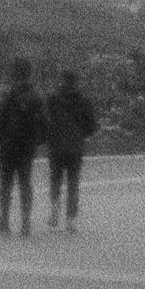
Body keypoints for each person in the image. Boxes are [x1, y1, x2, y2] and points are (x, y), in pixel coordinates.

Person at [0, 55, 48, 236]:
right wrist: (40, 140)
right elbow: (44, 121)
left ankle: (5, 220)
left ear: (12, 72)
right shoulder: (36, 94)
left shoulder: (4, 93)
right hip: (27, 145)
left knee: (5, 183)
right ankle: (25, 222)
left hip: (7, 143)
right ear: (29, 73)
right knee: (25, 182)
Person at [44, 68, 98, 229]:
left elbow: (45, 119)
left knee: (56, 179)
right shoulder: (83, 100)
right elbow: (91, 125)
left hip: (56, 146)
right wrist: (82, 134)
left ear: (62, 80)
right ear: (76, 82)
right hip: (75, 147)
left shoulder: (52, 99)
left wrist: (47, 137)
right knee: (73, 182)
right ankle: (71, 218)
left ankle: (54, 209)